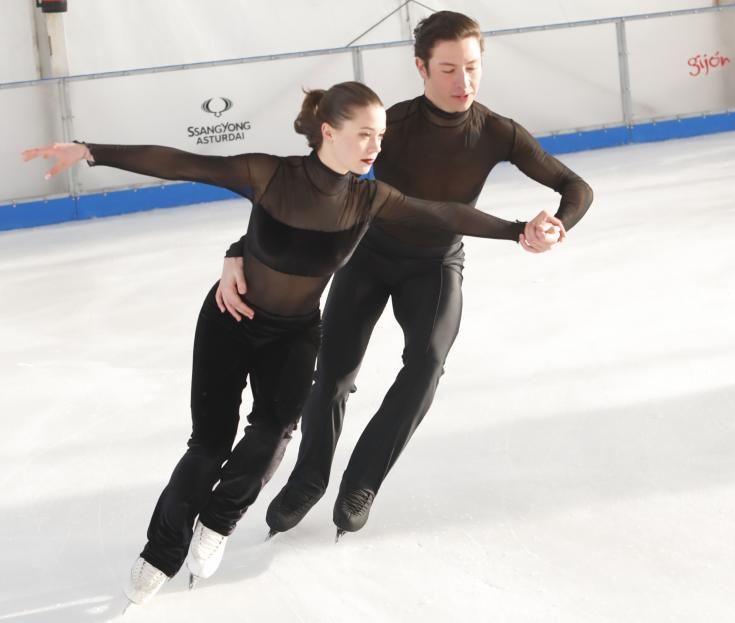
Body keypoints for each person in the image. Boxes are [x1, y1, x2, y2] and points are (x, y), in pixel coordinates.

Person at [22, 80, 565, 607]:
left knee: (273, 434)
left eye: (380, 136)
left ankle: (218, 521)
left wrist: (519, 228)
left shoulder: (369, 198)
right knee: (209, 446)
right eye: (364, 135)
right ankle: (162, 553)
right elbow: (183, 162)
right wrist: (91, 151)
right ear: (328, 132)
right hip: (229, 321)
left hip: (295, 334)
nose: (377, 146)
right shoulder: (268, 174)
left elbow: (444, 214)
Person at [218, 11, 594, 542]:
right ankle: (309, 478)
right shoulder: (389, 127)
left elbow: (576, 187)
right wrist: (239, 249)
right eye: (446, 69)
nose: (461, 82)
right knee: (334, 374)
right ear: (420, 67)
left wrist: (555, 225)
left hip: (436, 265)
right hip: (367, 259)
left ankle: (362, 482)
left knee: (428, 362)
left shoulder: (497, 132)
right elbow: (306, 188)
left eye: (471, 67)